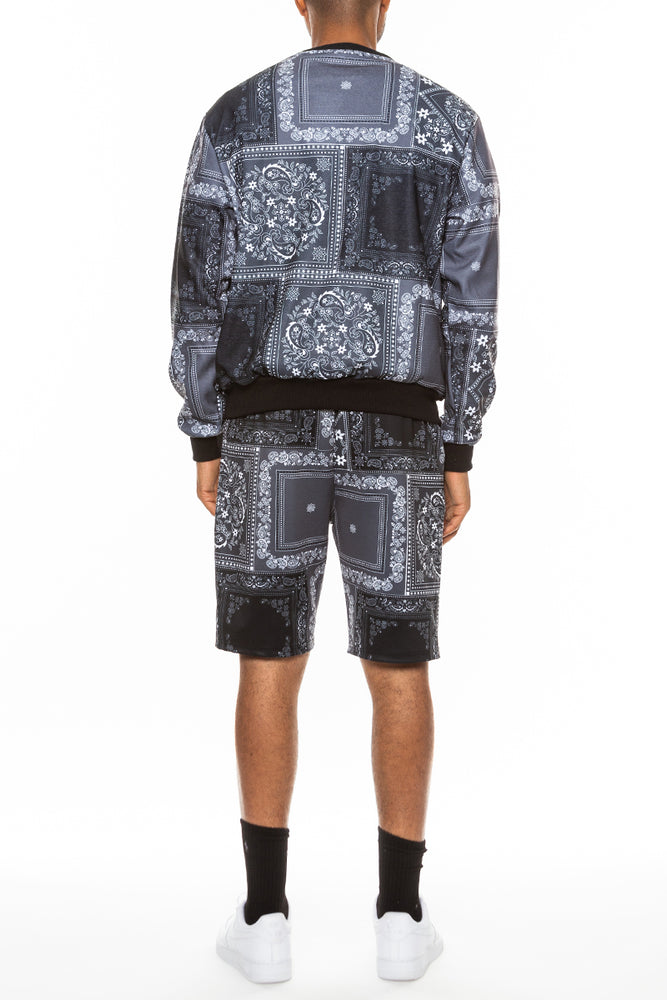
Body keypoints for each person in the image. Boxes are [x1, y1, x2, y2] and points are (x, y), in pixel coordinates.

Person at [168, 0, 500, 984]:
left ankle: (264, 918)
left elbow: (196, 291)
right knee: (398, 664)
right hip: (399, 428)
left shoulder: (235, 116)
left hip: (264, 424)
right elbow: (472, 304)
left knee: (268, 660)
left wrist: (204, 429)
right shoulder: (448, 122)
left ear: (299, 3)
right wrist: (459, 444)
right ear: (385, 4)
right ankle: (400, 917)